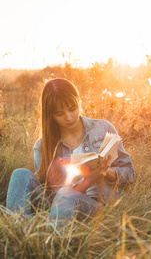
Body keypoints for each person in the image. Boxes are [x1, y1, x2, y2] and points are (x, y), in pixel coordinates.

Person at [6, 78, 134, 224]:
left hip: (95, 205)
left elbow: (129, 171)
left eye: (73, 108)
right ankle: (18, 231)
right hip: (59, 204)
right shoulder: (43, 146)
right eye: (60, 114)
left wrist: (107, 172)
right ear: (51, 115)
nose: (69, 117)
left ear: (79, 101)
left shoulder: (103, 128)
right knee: (19, 174)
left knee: (66, 195)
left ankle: (49, 240)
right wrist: (89, 179)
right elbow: (56, 196)